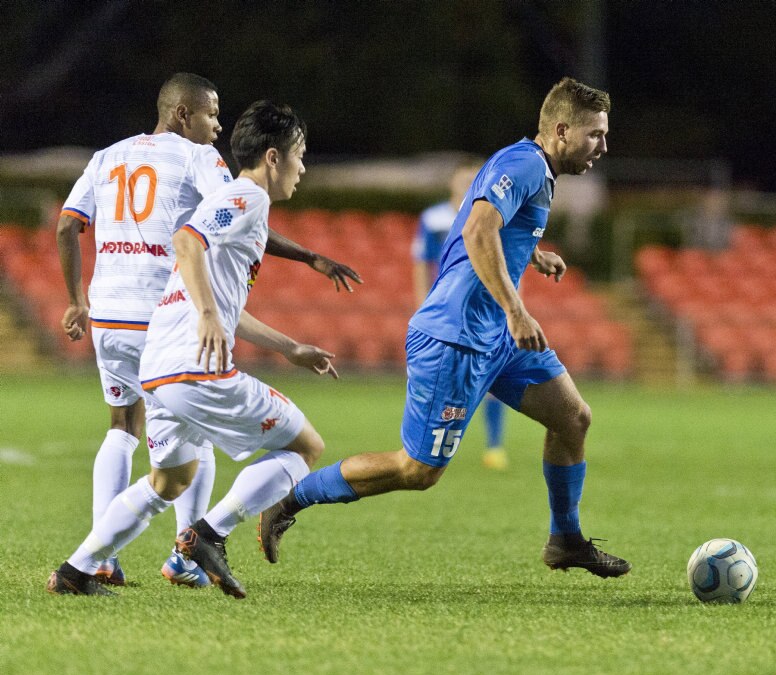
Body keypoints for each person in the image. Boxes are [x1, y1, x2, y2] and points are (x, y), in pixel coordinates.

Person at [257, 77, 631, 586]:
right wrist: (517, 310)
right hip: (455, 337)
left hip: (492, 336)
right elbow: (478, 229)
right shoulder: (522, 165)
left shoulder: (533, 168)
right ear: (561, 131)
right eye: (595, 135)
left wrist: (530, 254)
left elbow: (481, 226)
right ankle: (291, 497)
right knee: (418, 471)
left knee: (573, 418)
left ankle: (565, 540)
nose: (603, 147)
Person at [50, 90, 357, 595]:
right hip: (192, 365)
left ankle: (77, 570)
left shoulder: (117, 159)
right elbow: (186, 240)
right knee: (307, 447)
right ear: (274, 157)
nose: (304, 168)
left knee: (168, 481)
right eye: (300, 156)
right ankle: (205, 535)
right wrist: (212, 316)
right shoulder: (245, 196)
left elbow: (208, 281)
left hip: (152, 360)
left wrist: (289, 348)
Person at [412, 160, 509, 470]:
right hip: (448, 314)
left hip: (484, 311)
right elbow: (422, 262)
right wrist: (422, 303)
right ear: (452, 184)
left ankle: (494, 446)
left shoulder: (492, 217)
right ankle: (429, 445)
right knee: (450, 387)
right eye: (463, 179)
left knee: (494, 379)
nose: (468, 184)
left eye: (474, 179)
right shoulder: (434, 218)